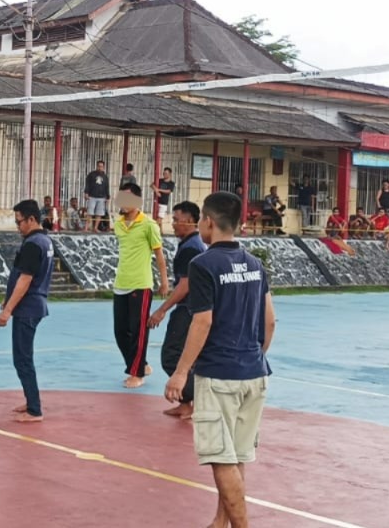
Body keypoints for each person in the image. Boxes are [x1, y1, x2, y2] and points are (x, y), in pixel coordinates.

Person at [164, 191, 275, 528]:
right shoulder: (255, 264)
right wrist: (255, 356)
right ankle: (219, 522)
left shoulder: (203, 265)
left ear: (208, 223)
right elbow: (269, 321)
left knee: (220, 460)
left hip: (218, 375)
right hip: (255, 373)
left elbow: (202, 321)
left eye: (200, 220)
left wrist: (180, 374)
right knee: (237, 455)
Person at [149, 201, 206, 420]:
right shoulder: (193, 244)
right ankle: (186, 403)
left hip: (188, 309)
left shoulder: (191, 248)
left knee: (171, 356)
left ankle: (198, 398)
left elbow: (185, 284)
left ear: (191, 221)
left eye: (176, 220)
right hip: (194, 308)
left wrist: (161, 310)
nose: (173, 224)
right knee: (189, 359)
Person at [0, 200, 53, 422]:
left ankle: (35, 409)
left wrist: (8, 310)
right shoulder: (44, 241)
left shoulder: (32, 244)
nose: (17, 226)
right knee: (23, 357)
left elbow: (25, 279)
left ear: (31, 219)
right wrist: (7, 298)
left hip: (27, 307)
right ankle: (31, 402)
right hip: (34, 305)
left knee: (22, 358)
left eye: (19, 221)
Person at [112, 183, 169, 388]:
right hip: (121, 283)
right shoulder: (117, 224)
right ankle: (140, 364)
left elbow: (159, 255)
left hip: (141, 284)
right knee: (120, 331)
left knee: (138, 331)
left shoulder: (149, 225)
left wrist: (164, 281)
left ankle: (137, 374)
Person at [84, 161, 110, 233]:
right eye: (98, 166)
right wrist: (86, 193)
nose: (100, 168)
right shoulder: (91, 175)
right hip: (92, 196)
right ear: (96, 166)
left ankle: (95, 228)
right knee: (90, 213)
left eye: (101, 166)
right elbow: (87, 184)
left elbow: (107, 187)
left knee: (99, 213)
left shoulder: (105, 177)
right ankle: (86, 228)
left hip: (101, 197)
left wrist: (108, 197)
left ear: (103, 167)